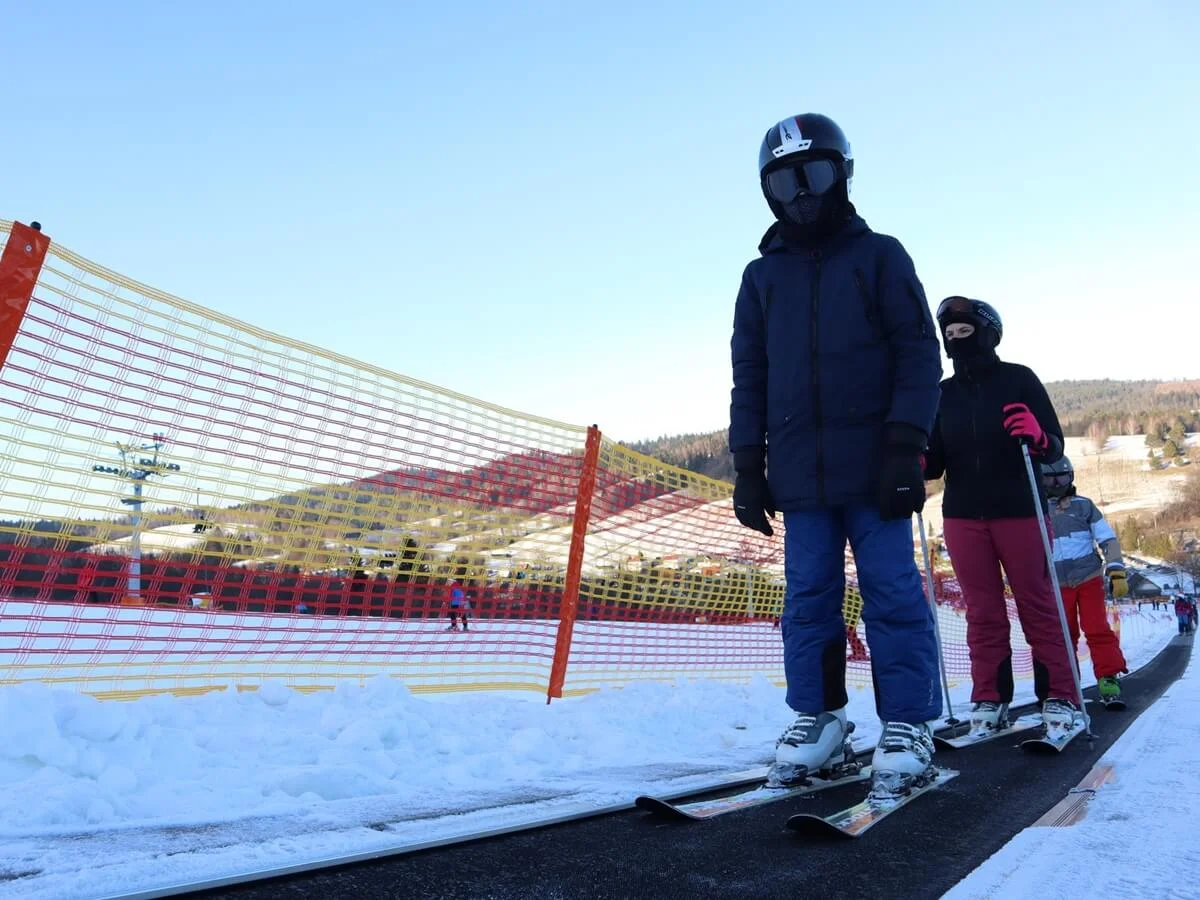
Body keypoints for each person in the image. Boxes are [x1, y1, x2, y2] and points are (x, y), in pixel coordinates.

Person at [729, 112, 944, 794]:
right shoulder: (761, 279)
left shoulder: (880, 256)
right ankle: (819, 718)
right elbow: (751, 375)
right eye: (784, 181)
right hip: (798, 475)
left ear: (841, 175)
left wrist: (907, 447)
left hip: (877, 469)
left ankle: (907, 723)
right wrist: (746, 465)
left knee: (891, 594)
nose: (801, 194)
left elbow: (917, 352)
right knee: (808, 599)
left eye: (814, 174)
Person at [922, 296, 1081, 738]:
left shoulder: (1019, 379)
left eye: (965, 332)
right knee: (982, 610)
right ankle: (990, 696)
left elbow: (1054, 445)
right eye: (949, 335)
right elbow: (934, 463)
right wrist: (913, 460)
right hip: (962, 515)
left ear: (990, 333)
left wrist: (1037, 434)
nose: (957, 340)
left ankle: (1062, 694)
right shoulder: (941, 393)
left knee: (1037, 602)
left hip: (1019, 509)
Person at [1042, 456, 1129, 704]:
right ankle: (1067, 685)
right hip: (1056, 583)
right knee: (1063, 634)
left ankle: (1108, 677)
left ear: (1071, 477)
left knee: (1096, 627)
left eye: (1062, 477)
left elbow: (1107, 539)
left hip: (1088, 578)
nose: (1057, 483)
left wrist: (1116, 570)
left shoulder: (1083, 506)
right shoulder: (1036, 509)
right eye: (1050, 478)